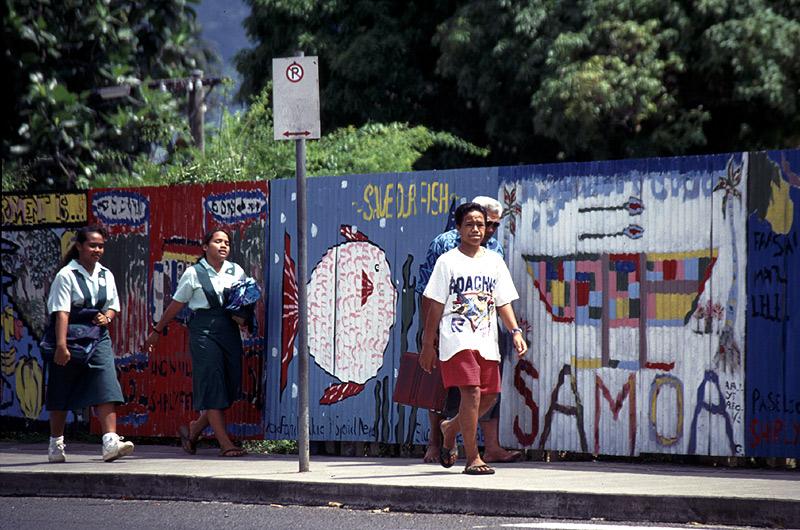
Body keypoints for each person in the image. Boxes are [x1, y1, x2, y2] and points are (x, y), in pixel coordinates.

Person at [420, 202, 527, 475]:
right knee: (472, 392)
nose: (477, 229)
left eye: (481, 224)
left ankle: (450, 427)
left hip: (486, 339)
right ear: (458, 228)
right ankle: (472, 458)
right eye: (470, 224)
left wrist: (515, 332)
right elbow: (434, 304)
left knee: (489, 397)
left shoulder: (494, 261)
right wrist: (427, 344)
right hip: (456, 338)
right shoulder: (447, 262)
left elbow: (502, 301)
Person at [144, 229, 247, 457]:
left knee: (229, 387)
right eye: (218, 241)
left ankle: (193, 430)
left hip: (229, 331)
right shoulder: (194, 273)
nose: (223, 246)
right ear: (205, 246)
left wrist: (245, 319)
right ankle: (225, 444)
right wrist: (157, 330)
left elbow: (243, 300)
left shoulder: (235, 270)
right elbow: (177, 304)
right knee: (212, 385)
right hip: (204, 331)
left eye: (227, 242)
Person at [45, 225, 134, 463]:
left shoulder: (106, 274)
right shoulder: (67, 275)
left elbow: (113, 305)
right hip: (70, 337)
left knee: (106, 382)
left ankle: (110, 442)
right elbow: (61, 313)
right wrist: (61, 347)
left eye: (101, 246)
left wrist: (108, 317)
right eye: (92, 245)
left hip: (98, 336)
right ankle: (56, 442)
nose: (97, 250)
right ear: (79, 246)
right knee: (61, 388)